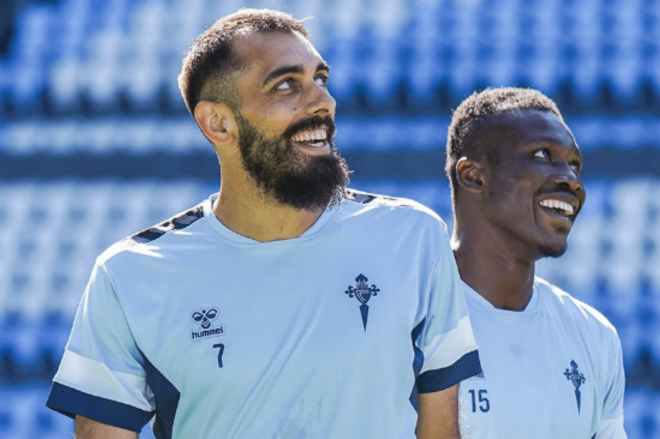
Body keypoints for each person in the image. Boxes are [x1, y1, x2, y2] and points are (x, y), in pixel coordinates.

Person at [46, 8, 482, 439]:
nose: (323, 102)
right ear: (218, 122)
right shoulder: (129, 273)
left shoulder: (414, 237)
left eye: (321, 79)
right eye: (287, 85)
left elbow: (441, 429)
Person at [445, 87, 626, 438]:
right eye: (544, 155)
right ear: (473, 176)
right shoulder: (404, 322)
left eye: (575, 165)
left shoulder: (593, 336)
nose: (571, 180)